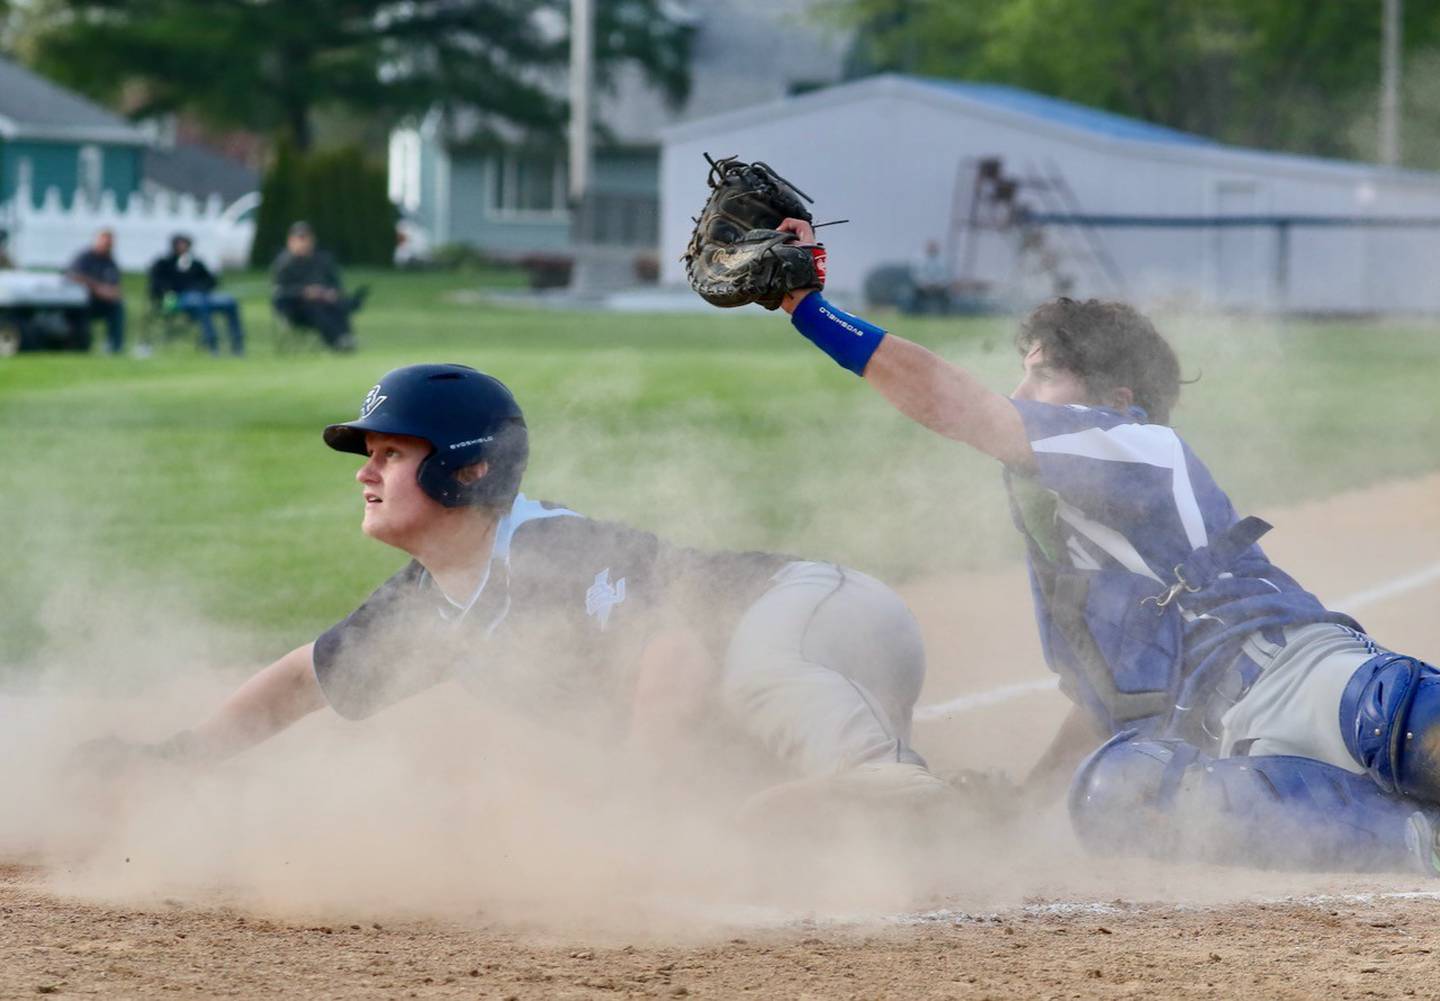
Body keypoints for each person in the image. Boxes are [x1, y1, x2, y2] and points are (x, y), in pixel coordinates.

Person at [761, 215, 1440, 875]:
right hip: (1244, 765)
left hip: (1308, 682)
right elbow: (1102, 709)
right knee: (1117, 795)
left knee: (1405, 723)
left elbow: (964, 409)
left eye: (1044, 373)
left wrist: (808, 306)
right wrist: (1021, 807)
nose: (1022, 392)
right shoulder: (1073, 569)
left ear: (1116, 398)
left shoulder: (1137, 445)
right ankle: (1418, 841)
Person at [84, 364, 950, 818]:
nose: (368, 474)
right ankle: (925, 805)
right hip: (789, 689)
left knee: (756, 674)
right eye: (369, 455)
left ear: (469, 470)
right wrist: (181, 758)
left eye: (391, 452)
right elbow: (303, 681)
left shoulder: (545, 548)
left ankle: (883, 780)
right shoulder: (429, 601)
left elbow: (673, 656)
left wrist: (642, 808)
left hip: (817, 609)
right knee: (746, 807)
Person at [270, 221, 366, 351]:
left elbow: (335, 283)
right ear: (290, 241)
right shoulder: (284, 264)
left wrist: (331, 292)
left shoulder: (323, 260)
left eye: (306, 239)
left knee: (336, 303)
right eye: (299, 239)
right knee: (317, 307)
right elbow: (280, 292)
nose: (303, 243)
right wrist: (304, 292)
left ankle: (346, 337)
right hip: (295, 309)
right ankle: (337, 341)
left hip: (326, 302)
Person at [148, 234, 245, 356]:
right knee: (199, 303)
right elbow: (157, 286)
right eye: (180, 244)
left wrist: (202, 287)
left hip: (203, 296)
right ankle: (211, 343)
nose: (183, 247)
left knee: (230, 301)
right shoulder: (164, 263)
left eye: (185, 244)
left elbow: (211, 281)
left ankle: (237, 344)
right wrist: (171, 293)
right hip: (175, 300)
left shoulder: (196, 263)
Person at [67, 229, 125, 354]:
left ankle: (115, 347)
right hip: (83, 301)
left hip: (102, 302)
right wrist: (97, 288)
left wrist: (113, 293)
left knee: (117, 306)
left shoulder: (110, 262)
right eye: (105, 242)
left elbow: (115, 284)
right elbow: (75, 276)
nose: (108, 246)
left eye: (110, 243)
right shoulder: (84, 257)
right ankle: (81, 346)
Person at [906, 239, 950, 315]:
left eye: (934, 247)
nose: (932, 249)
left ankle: (945, 313)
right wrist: (924, 283)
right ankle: (915, 314)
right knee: (914, 295)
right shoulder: (919, 259)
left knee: (947, 295)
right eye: (930, 247)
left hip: (939, 286)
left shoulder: (943, 259)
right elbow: (916, 274)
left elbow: (946, 274)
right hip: (922, 286)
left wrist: (938, 284)